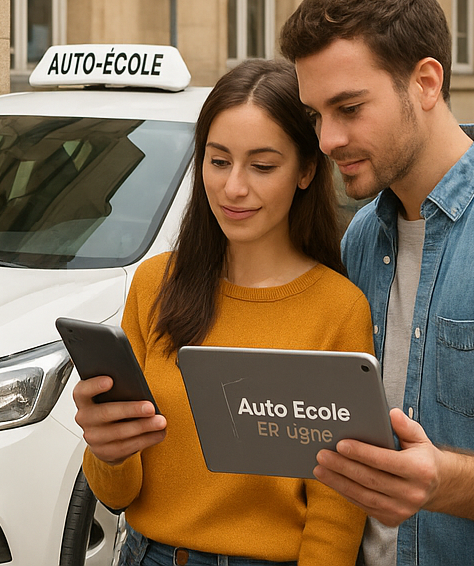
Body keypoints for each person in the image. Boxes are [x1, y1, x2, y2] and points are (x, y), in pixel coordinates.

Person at [72, 59, 373, 566]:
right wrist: (107, 449)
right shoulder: (155, 285)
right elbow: (116, 495)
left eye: (261, 166)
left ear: (305, 170)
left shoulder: (339, 308)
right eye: (218, 161)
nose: (234, 188)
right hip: (146, 555)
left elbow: (338, 505)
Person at [282, 0, 474, 565]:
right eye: (316, 116)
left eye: (350, 107)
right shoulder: (362, 237)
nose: (329, 139)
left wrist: (445, 481)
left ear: (426, 82)